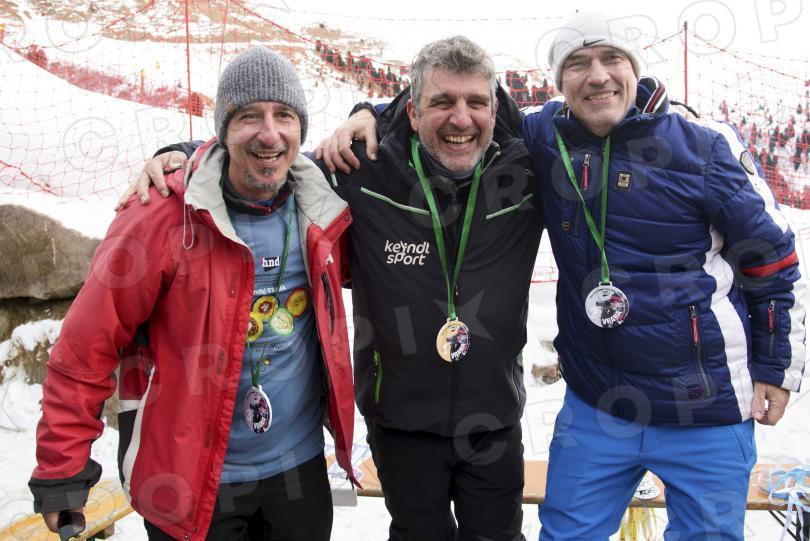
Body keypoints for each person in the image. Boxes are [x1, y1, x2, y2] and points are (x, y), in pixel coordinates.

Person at [318, 13, 806, 540]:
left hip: (705, 407)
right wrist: (367, 113)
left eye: (611, 59)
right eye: (578, 64)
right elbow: (449, 110)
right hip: (598, 405)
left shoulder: (701, 146)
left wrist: (776, 366)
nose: (597, 76)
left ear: (635, 69)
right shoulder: (543, 136)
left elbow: (774, 259)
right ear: (560, 81)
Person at [124, 36, 542, 541]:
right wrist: (183, 155)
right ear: (412, 112)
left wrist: (370, 109)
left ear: (494, 109)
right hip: (402, 418)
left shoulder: (526, 171)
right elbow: (272, 160)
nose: (460, 118)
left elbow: (583, 131)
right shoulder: (363, 169)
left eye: (476, 102)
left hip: (493, 415)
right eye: (442, 102)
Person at [29, 46, 356, 541]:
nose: (270, 134)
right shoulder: (159, 215)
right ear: (223, 129)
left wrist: (370, 112)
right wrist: (61, 470)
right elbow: (87, 345)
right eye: (250, 116)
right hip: (190, 479)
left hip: (299, 470)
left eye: (285, 116)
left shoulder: (322, 209)